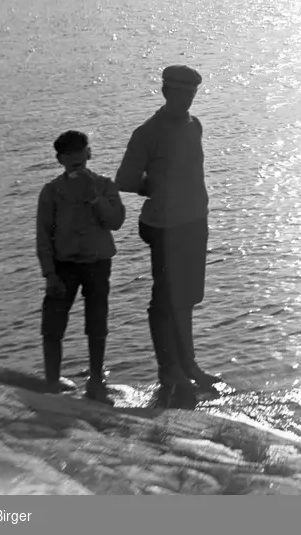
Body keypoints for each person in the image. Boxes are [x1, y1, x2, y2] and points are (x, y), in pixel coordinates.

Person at [116, 65, 222, 408]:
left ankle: (188, 363)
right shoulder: (148, 132)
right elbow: (125, 179)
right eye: (180, 93)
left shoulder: (194, 125)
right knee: (164, 300)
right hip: (164, 226)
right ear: (165, 93)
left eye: (191, 94)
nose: (186, 99)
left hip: (194, 220)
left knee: (188, 296)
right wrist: (159, 188)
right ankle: (168, 369)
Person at [36, 130, 126, 404]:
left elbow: (115, 221)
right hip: (63, 266)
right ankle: (52, 380)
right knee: (52, 325)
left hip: (98, 264)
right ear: (59, 159)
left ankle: (96, 380)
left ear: (89, 153)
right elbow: (43, 235)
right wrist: (49, 273)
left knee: (97, 323)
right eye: (68, 154)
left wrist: (93, 197)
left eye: (80, 151)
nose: (75, 157)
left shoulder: (104, 185)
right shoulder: (51, 191)